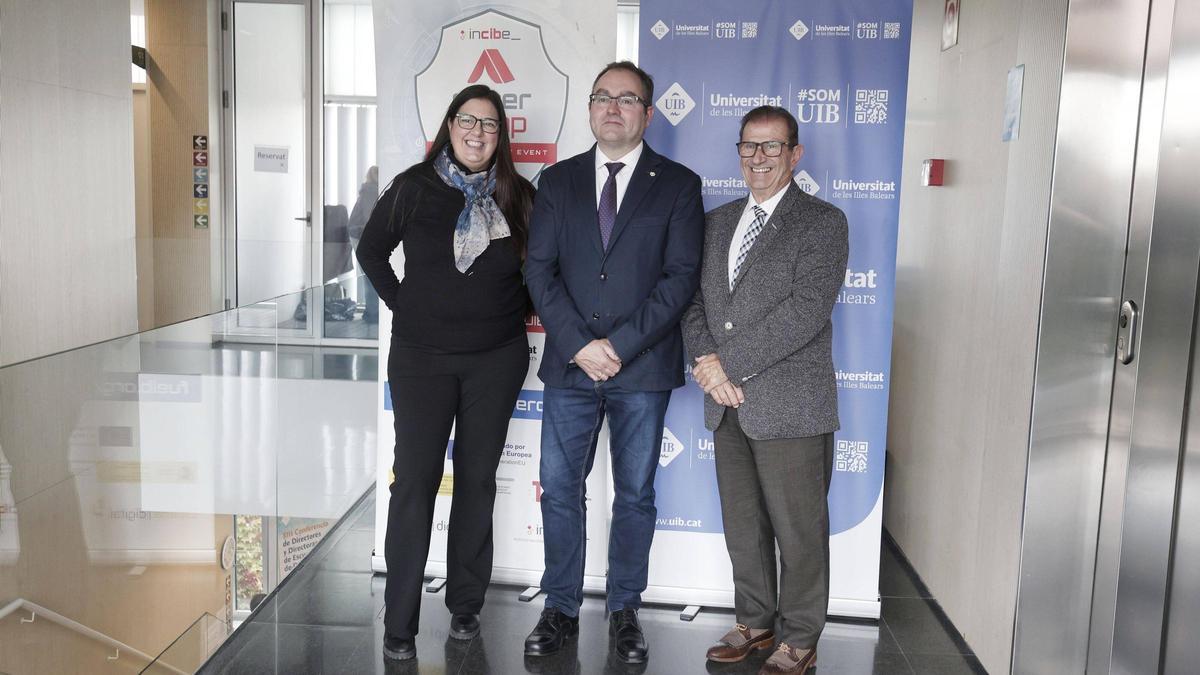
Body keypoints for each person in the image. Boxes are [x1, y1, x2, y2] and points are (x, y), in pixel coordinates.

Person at [523, 61, 704, 665]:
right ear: (591, 108)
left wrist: (619, 347)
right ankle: (560, 607)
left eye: (626, 100)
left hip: (642, 369)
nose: (611, 108)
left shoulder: (678, 184)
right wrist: (579, 344)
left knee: (635, 495)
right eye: (602, 97)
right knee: (560, 492)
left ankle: (625, 609)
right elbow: (538, 272)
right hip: (571, 368)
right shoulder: (557, 182)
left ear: (648, 114)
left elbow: (679, 280)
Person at [355, 84, 536, 663]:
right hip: (421, 360)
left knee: (478, 483)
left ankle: (465, 607)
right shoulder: (413, 186)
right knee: (414, 483)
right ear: (450, 124)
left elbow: (542, 269)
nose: (478, 132)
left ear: (500, 133)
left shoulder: (520, 196)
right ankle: (400, 622)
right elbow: (370, 251)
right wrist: (405, 304)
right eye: (467, 120)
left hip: (496, 359)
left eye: (489, 123)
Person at [681, 105, 848, 675]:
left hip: (790, 406)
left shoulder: (823, 222)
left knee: (799, 530)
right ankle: (754, 622)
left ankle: (800, 637)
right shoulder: (717, 221)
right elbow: (694, 302)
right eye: (750, 146)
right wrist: (707, 363)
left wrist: (725, 365)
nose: (759, 157)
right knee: (744, 524)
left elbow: (805, 313)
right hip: (724, 405)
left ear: (795, 154)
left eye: (772, 147)